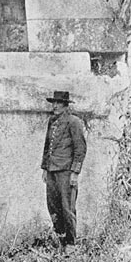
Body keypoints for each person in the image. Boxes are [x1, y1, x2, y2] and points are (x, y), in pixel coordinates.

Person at [41, 91, 87, 253]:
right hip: (52, 171)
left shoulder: (74, 122)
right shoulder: (52, 122)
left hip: (66, 172)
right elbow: (48, 147)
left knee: (67, 208)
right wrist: (46, 168)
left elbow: (80, 149)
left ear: (66, 105)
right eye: (53, 103)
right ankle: (61, 240)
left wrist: (75, 173)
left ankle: (71, 244)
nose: (55, 106)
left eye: (58, 103)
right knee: (53, 206)